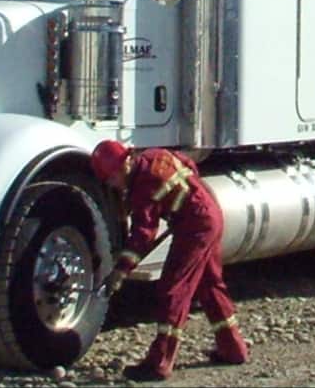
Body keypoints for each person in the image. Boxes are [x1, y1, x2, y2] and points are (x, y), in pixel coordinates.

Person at [90, 139, 248, 382]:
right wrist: (181, 205)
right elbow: (190, 167)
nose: (114, 184)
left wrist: (121, 270)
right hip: (210, 213)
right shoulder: (155, 155)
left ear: (125, 164)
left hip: (194, 227)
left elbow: (143, 234)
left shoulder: (142, 186)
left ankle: (160, 361)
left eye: (113, 178)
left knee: (173, 289)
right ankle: (233, 348)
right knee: (209, 284)